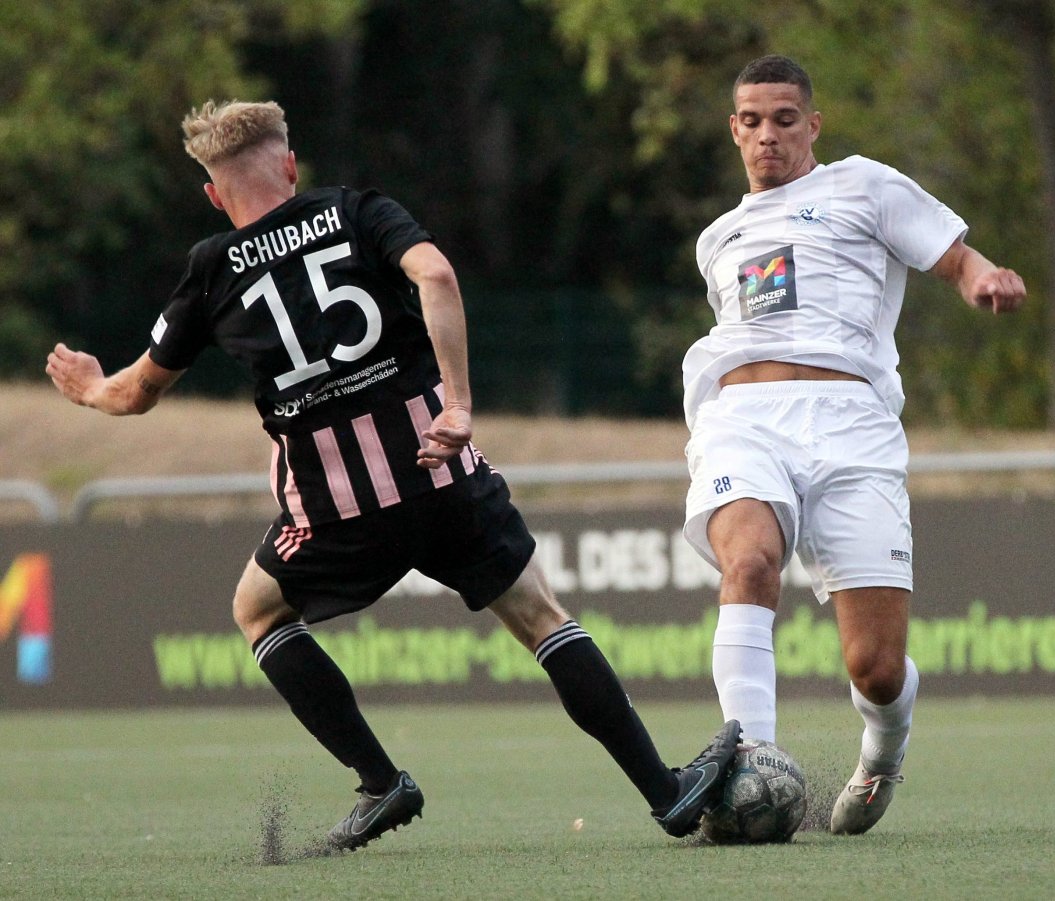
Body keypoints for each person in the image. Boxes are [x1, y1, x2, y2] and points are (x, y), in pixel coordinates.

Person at [46, 99, 740, 851]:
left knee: (258, 611)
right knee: (541, 615)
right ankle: (666, 792)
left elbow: (136, 392)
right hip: (441, 474)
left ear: (214, 195)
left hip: (336, 508)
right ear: (289, 164)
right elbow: (435, 272)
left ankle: (381, 783)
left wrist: (87, 385)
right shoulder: (354, 210)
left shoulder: (211, 268)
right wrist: (461, 402)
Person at [682, 55, 1026, 836]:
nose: (767, 134)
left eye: (784, 119)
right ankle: (750, 760)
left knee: (874, 668)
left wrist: (981, 278)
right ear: (734, 129)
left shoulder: (863, 185)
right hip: (744, 416)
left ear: (813, 124)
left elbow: (953, 254)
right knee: (750, 562)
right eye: (751, 120)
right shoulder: (719, 238)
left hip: (851, 423)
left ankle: (883, 749)